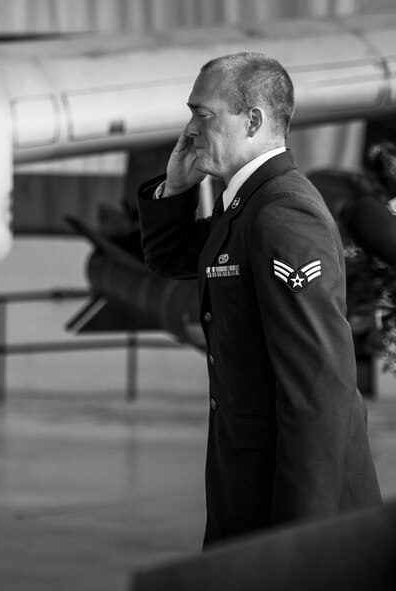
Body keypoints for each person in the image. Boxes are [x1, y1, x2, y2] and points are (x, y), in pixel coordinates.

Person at [136, 51, 382, 548]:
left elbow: (319, 388)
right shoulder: (248, 207)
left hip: (290, 504)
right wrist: (178, 187)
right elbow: (172, 257)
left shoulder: (283, 213)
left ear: (252, 120)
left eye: (202, 114)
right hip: (248, 485)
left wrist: (299, 537)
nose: (189, 129)